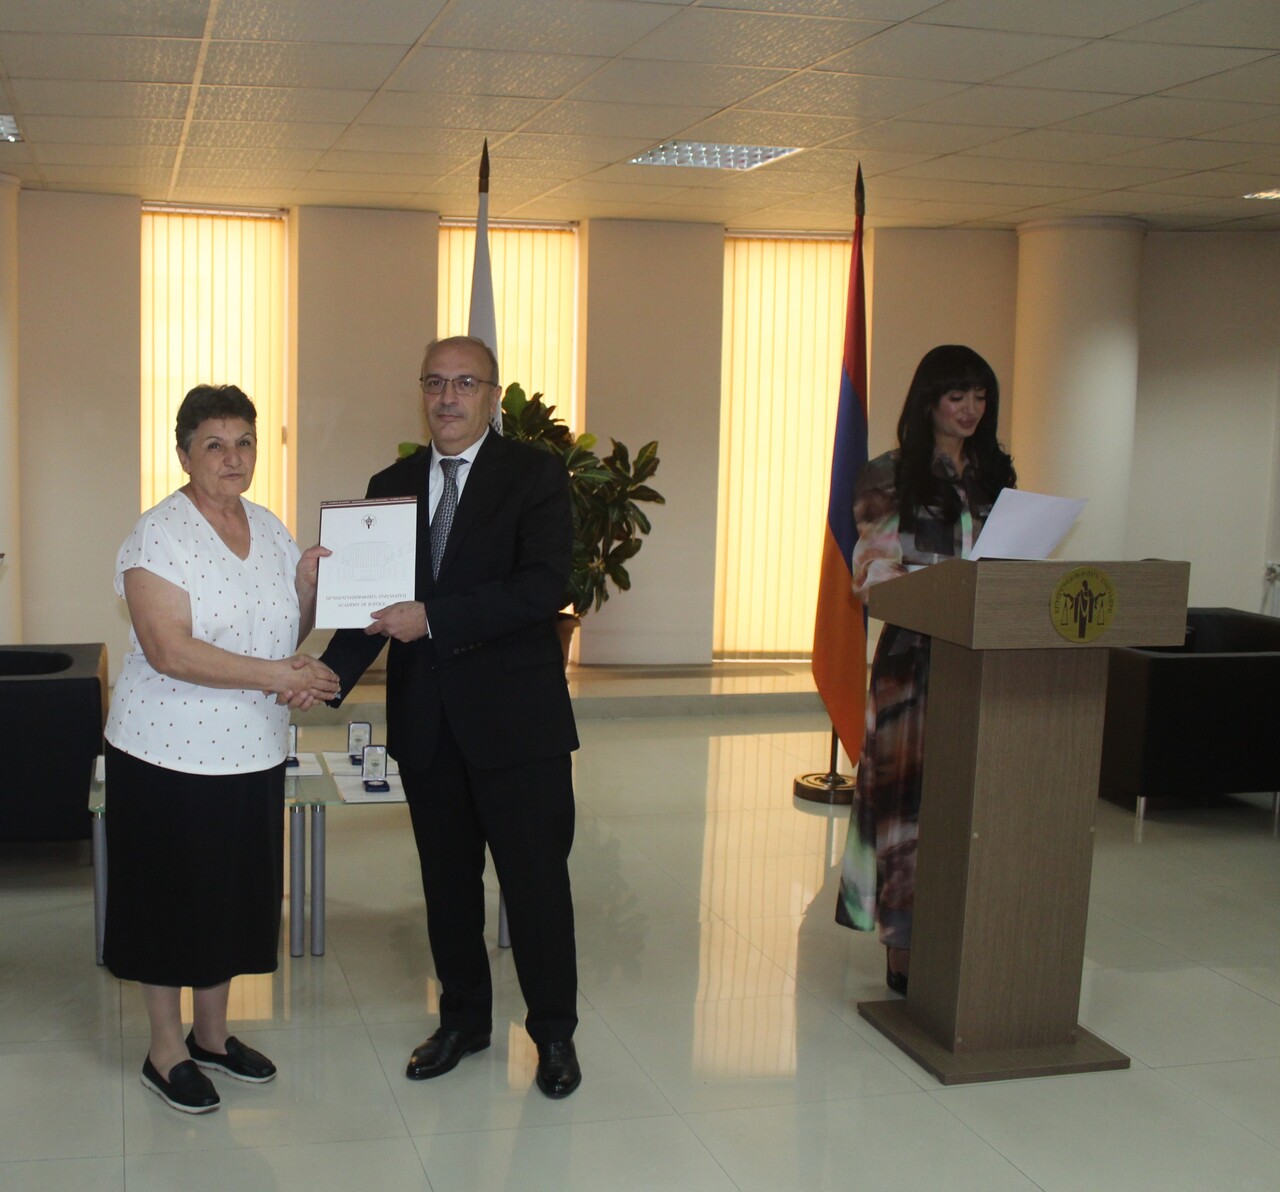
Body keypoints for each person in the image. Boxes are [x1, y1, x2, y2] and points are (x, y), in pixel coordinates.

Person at [318, 335, 582, 1099]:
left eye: (465, 383)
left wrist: (433, 617)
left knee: (535, 889)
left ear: (493, 395)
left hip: (519, 729)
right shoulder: (392, 484)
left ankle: (554, 1034)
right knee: (448, 890)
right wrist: (322, 677)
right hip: (429, 727)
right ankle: (463, 1021)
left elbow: (543, 587)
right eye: (434, 382)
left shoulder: (534, 475)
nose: (447, 397)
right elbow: (371, 607)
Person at [104, 384, 339, 1114]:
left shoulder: (268, 526)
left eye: (244, 443)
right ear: (184, 454)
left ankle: (211, 1036)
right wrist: (282, 677)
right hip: (166, 755)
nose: (232, 457)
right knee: (169, 900)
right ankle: (164, 1050)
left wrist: (307, 589)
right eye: (214, 444)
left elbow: (283, 633)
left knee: (230, 899)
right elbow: (169, 650)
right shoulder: (158, 535)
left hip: (251, 750)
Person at [835, 345, 1015, 994]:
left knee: (971, 802)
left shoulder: (995, 474)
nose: (971, 409)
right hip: (913, 663)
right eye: (957, 396)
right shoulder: (890, 474)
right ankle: (904, 946)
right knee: (906, 805)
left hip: (984, 658)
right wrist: (945, 582)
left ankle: (966, 932)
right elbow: (874, 573)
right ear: (929, 401)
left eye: (981, 396)